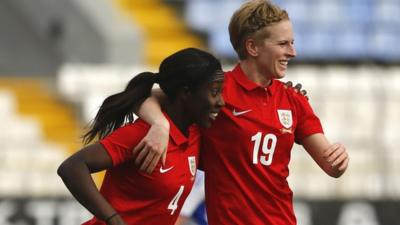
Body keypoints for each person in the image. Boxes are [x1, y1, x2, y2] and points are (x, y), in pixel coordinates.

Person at [133, 1, 350, 225]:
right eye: (283, 44)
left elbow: (331, 166)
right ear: (252, 47)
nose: (292, 52)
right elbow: (145, 97)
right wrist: (160, 125)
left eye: (292, 43)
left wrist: (339, 159)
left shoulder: (293, 100)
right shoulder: (216, 89)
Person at [57, 48, 225, 225]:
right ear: (185, 92)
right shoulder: (143, 134)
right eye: (214, 92)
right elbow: (72, 168)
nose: (222, 101)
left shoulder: (194, 134)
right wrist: (113, 219)